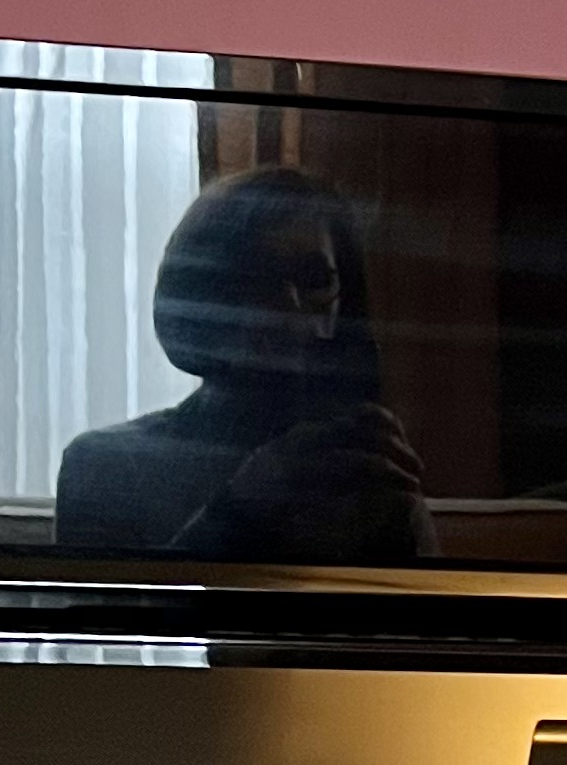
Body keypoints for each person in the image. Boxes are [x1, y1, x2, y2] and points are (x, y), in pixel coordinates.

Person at [55, 165, 434, 561]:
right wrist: (245, 505)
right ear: (203, 295)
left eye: (316, 280)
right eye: (257, 278)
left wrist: (399, 516)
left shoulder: (357, 460)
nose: (290, 307)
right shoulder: (107, 464)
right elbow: (111, 617)